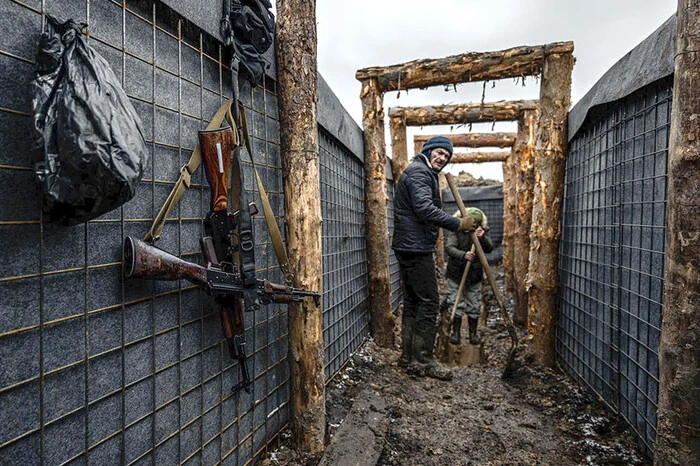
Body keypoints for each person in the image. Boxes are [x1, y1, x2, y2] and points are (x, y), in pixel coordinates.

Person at [392, 136, 475, 380]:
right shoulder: (419, 172)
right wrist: (457, 224)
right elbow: (424, 209)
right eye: (439, 153)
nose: (442, 158)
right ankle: (425, 361)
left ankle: (409, 358)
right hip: (416, 248)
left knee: (413, 303)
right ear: (428, 151)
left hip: (408, 245)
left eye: (446, 156)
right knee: (429, 302)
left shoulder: (420, 171)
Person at [445, 207, 494, 345]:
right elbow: (450, 247)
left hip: (475, 274)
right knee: (456, 302)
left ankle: (473, 334)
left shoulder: (483, 231)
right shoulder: (456, 230)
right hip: (456, 273)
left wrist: (482, 238)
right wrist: (463, 255)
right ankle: (455, 333)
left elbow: (490, 248)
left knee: (474, 304)